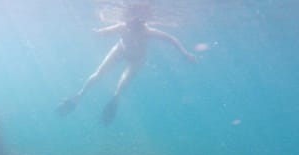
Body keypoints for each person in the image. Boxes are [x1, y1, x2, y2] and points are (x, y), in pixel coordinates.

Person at [57, 5, 196, 124]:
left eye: (135, 23)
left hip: (136, 58)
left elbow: (170, 39)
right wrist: (98, 32)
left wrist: (184, 52)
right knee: (100, 74)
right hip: (121, 51)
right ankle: (80, 97)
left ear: (140, 23)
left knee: (121, 84)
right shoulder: (125, 26)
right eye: (131, 22)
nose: (132, 25)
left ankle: (112, 100)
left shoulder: (147, 31)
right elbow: (106, 31)